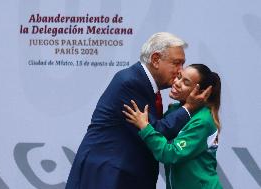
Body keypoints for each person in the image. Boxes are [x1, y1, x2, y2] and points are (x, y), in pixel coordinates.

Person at [65, 33, 211, 189]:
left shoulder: (142, 82)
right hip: (106, 176)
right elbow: (157, 130)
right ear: (155, 60)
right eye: (176, 63)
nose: (180, 70)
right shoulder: (132, 82)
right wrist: (189, 107)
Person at [123, 64, 222, 189]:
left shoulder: (202, 121)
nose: (177, 83)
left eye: (186, 82)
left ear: (201, 93)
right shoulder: (175, 110)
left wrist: (144, 127)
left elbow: (170, 154)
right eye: (178, 77)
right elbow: (159, 133)